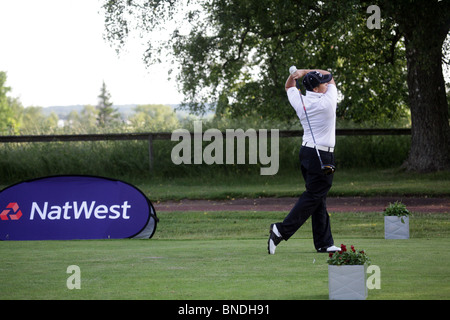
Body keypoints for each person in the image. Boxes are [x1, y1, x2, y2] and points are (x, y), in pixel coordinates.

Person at [268, 68, 341, 254]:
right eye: (322, 83)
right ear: (316, 89)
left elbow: (288, 86)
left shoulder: (300, 101)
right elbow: (331, 77)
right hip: (322, 156)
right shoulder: (328, 102)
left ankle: (324, 243)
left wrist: (293, 75)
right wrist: (304, 71)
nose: (326, 84)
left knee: (318, 197)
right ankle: (281, 230)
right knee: (313, 196)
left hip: (307, 153)